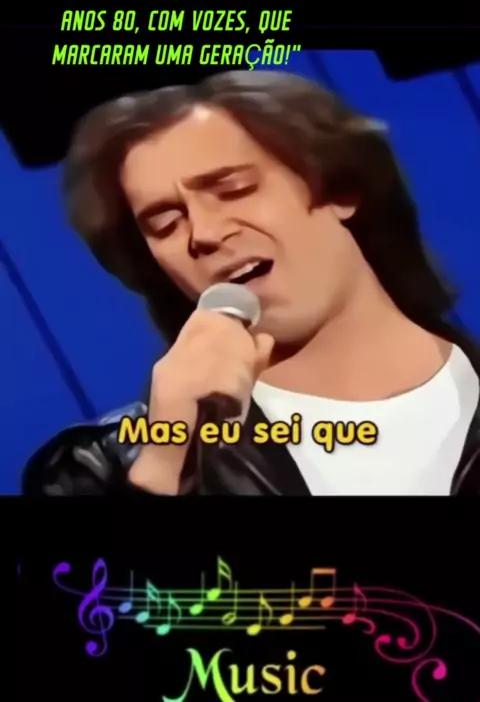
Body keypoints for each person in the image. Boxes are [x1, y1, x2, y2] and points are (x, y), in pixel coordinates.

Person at [23, 70, 480, 495]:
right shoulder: (95, 469)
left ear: (339, 189)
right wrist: (164, 463)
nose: (203, 233)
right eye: (165, 224)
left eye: (234, 190)